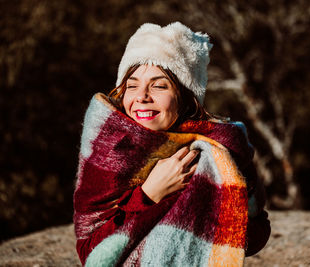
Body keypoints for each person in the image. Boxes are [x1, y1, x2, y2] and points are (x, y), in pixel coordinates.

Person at [73, 22, 270, 267]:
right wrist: (149, 195)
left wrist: (203, 204)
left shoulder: (219, 149)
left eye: (159, 85)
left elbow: (256, 234)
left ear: (186, 99)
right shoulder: (108, 148)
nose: (142, 97)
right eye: (132, 85)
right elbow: (90, 253)